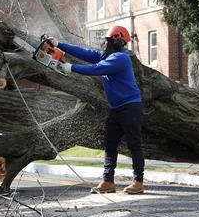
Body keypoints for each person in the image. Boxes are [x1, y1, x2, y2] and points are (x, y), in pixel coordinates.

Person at [45, 26, 145, 194]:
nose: (104, 43)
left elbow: (97, 69)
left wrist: (71, 68)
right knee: (110, 144)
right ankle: (108, 181)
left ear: (116, 42)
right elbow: (84, 53)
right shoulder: (106, 55)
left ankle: (138, 182)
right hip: (116, 108)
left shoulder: (121, 58)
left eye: (107, 40)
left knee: (134, 144)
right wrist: (59, 44)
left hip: (130, 107)